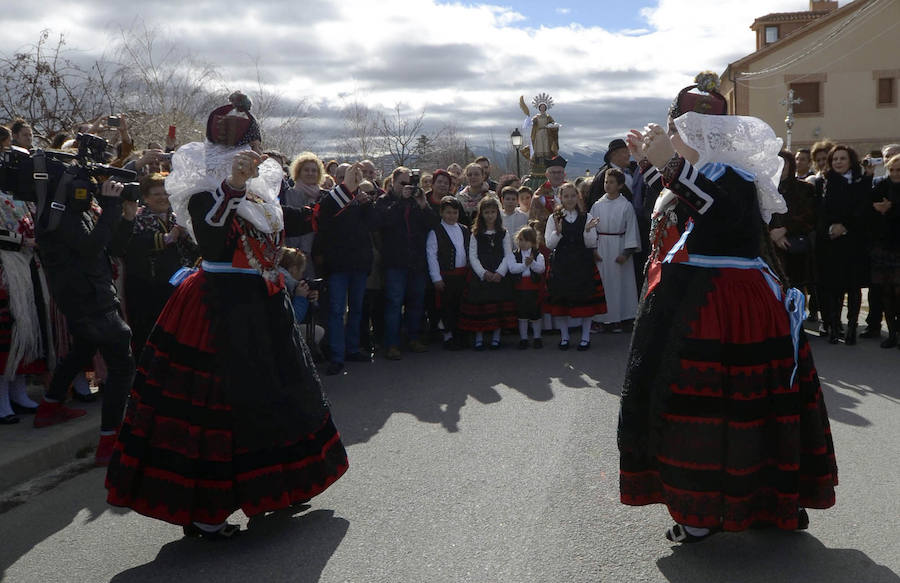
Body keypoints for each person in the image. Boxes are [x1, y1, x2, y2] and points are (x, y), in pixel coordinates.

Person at [105, 97, 348, 539]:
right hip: (219, 305)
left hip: (261, 301)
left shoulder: (261, 192)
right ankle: (206, 511)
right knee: (216, 408)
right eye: (242, 151)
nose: (250, 158)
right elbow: (215, 243)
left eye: (252, 150)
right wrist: (232, 186)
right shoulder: (202, 189)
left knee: (281, 392)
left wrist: (339, 195)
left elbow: (292, 225)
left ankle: (279, 487)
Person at [618, 72, 837, 543]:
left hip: (724, 309)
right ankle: (733, 503)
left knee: (712, 409)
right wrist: (653, 163)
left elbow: (721, 216)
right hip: (695, 301)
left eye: (676, 130)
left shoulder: (733, 175)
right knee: (723, 409)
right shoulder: (700, 173)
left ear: (700, 134)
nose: (670, 136)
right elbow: (687, 206)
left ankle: (711, 510)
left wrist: (668, 165)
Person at [120, 173, 199, 355]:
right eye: (157, 194)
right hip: (147, 286)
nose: (163, 198)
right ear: (146, 198)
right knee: (147, 331)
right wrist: (167, 238)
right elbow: (131, 246)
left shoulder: (176, 218)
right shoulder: (138, 218)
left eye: (166, 193)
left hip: (174, 285)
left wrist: (187, 235)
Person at [317, 162, 378, 375]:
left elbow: (373, 225)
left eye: (353, 176)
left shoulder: (363, 200)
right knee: (336, 311)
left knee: (357, 309)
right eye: (343, 176)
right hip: (337, 266)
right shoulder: (329, 200)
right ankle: (336, 355)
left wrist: (366, 204)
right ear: (336, 178)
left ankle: (352, 349)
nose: (349, 180)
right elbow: (325, 225)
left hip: (359, 264)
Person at [815, 145, 872, 345]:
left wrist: (845, 226)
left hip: (853, 242)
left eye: (842, 158)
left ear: (851, 161)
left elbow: (863, 208)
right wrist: (831, 229)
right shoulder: (823, 182)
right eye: (835, 159)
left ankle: (852, 327)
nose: (838, 162)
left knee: (853, 287)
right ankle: (834, 326)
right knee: (833, 287)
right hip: (831, 242)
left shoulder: (860, 181)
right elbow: (820, 212)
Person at [376, 167, 434, 360]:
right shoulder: (384, 201)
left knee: (416, 302)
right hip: (395, 261)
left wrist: (423, 203)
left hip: (416, 260)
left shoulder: (417, 202)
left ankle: (414, 338)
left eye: (409, 183)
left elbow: (432, 224)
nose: (406, 187)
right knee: (394, 302)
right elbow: (384, 222)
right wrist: (401, 202)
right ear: (392, 182)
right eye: (402, 183)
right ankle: (392, 344)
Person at [543, 182, 606, 351]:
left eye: (573, 196)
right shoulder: (554, 218)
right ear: (560, 198)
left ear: (577, 197)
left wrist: (586, 230)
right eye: (566, 196)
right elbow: (549, 244)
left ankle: (585, 337)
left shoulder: (587, 216)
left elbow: (591, 243)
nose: (569, 199)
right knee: (561, 301)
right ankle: (565, 337)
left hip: (582, 263)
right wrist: (558, 231)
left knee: (585, 300)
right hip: (562, 264)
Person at [586, 169, 640, 332]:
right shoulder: (597, 205)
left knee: (619, 285)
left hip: (619, 246)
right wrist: (593, 248)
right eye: (606, 182)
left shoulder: (626, 206)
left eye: (611, 182)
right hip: (601, 248)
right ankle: (601, 319)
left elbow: (631, 229)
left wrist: (626, 253)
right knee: (603, 284)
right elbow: (591, 228)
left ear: (620, 185)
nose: (607, 185)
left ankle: (619, 319)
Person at [458, 197, 515, 350]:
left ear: (497, 213)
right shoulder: (476, 233)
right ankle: (479, 338)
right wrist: (483, 273)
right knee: (480, 309)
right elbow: (473, 256)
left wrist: (500, 273)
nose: (490, 215)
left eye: (493, 212)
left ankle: (496, 337)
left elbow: (508, 254)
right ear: (481, 214)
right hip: (481, 278)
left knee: (497, 307)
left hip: (498, 276)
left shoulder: (503, 233)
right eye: (486, 212)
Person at [769, 151, 817, 297]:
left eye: (784, 162)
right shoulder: (764, 189)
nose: (780, 165)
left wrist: (785, 229)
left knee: (796, 289)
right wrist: (772, 233)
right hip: (770, 248)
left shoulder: (805, 188)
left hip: (795, 246)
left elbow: (810, 217)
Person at [426, 196, 470, 350]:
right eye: (448, 212)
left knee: (460, 306)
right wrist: (436, 278)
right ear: (442, 213)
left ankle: (459, 334)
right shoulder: (436, 231)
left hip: (462, 274)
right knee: (446, 307)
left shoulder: (464, 229)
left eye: (455, 213)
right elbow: (431, 255)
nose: (452, 216)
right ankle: (448, 336)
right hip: (446, 276)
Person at [869, 154, 900, 348]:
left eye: (899, 170)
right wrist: (878, 208)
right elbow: (868, 203)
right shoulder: (880, 185)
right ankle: (892, 333)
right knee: (886, 292)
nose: (895, 173)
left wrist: (892, 208)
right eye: (893, 169)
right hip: (883, 245)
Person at [285, 152, 327, 279]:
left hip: (316, 253)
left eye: (314, 170)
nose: (310, 173)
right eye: (306, 170)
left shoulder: (323, 196)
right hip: (292, 252)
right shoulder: (289, 194)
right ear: (298, 172)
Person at [507, 225, 545, 349]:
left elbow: (541, 269)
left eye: (526, 240)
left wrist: (532, 263)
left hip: (533, 288)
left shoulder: (538, 255)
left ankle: (537, 337)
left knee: (535, 314)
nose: (523, 243)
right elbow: (513, 269)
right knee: (522, 314)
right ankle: (523, 338)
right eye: (521, 240)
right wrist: (525, 265)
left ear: (533, 242)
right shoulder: (514, 255)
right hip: (519, 288)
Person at [529, 156, 567, 225]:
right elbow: (533, 218)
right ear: (547, 175)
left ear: (564, 174)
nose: (556, 175)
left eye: (559, 172)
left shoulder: (572, 191)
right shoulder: (539, 195)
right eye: (553, 172)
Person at [499, 186, 528, 251]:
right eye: (508, 199)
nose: (510, 202)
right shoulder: (498, 216)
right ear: (502, 200)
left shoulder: (524, 217)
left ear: (517, 201)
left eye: (513, 199)